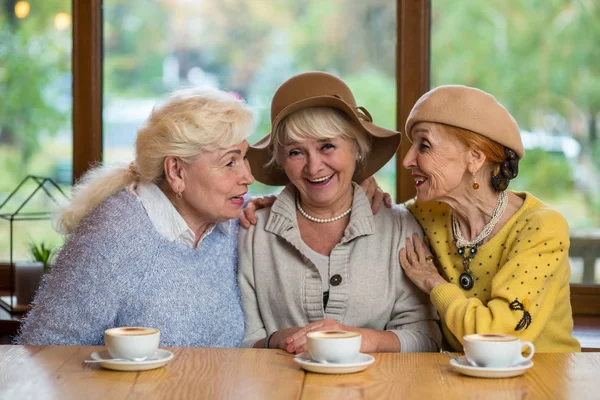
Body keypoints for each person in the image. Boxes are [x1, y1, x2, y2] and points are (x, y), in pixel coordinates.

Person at [17, 89, 255, 347]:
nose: (248, 177)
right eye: (230, 162)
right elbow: (44, 352)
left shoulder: (230, 218)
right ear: (176, 171)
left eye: (244, 158)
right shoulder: (114, 236)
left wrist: (273, 205)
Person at [239, 71, 442, 354]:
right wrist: (278, 338)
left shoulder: (400, 228)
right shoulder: (252, 231)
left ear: (357, 148)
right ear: (281, 160)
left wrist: (359, 338)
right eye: (296, 152)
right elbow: (244, 341)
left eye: (327, 146)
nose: (314, 167)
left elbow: (426, 338)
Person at [398, 85, 580, 352]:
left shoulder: (541, 229)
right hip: (464, 380)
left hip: (541, 382)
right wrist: (364, 187)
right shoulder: (428, 213)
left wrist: (433, 282)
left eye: (424, 145)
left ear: (475, 157)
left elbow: (498, 338)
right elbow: (382, 217)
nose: (407, 160)